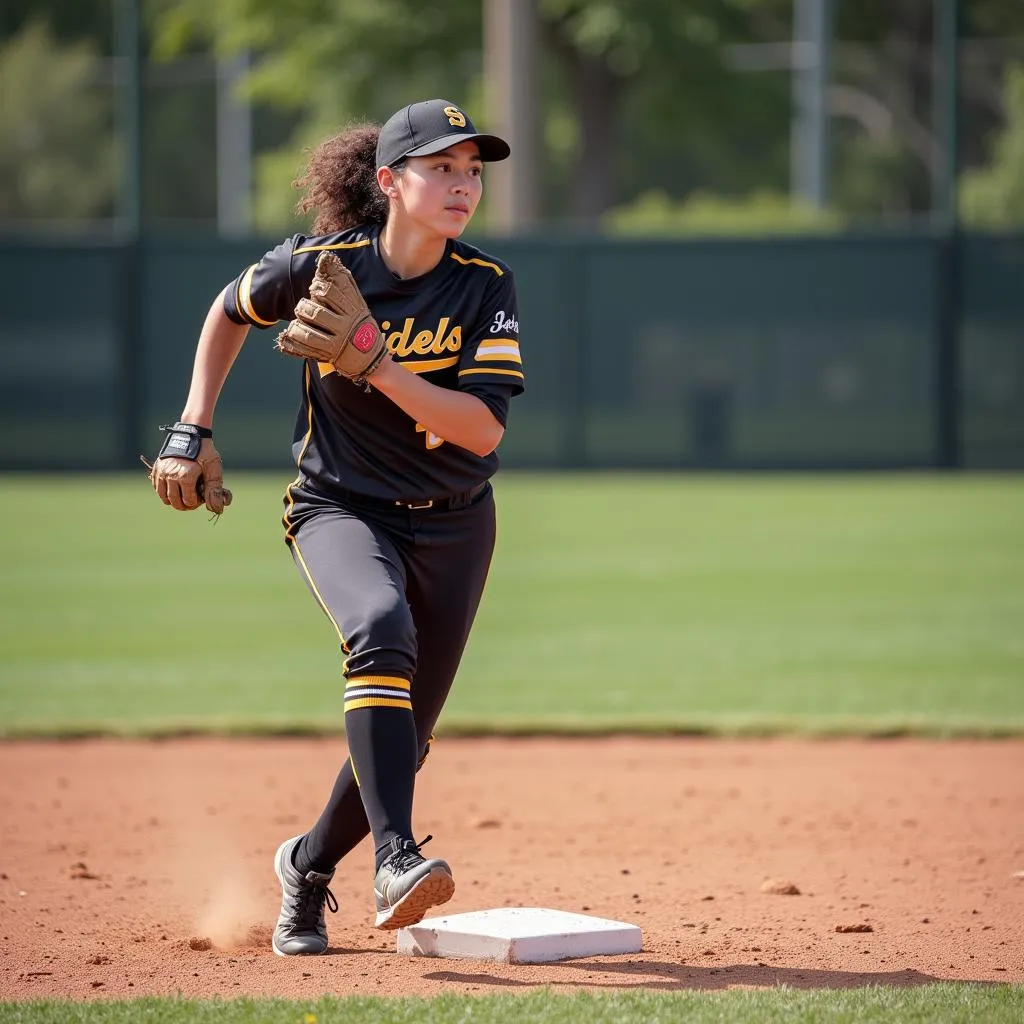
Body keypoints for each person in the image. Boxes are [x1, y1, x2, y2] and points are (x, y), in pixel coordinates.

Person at [148, 99, 524, 955]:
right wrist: (193, 424)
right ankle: (396, 857)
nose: (463, 184)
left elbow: (482, 429)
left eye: (473, 171)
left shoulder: (484, 283)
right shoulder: (326, 264)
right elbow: (230, 308)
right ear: (390, 181)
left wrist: (379, 365)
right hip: (341, 507)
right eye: (442, 167)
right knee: (380, 634)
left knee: (406, 735)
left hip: (459, 522)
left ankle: (306, 869)